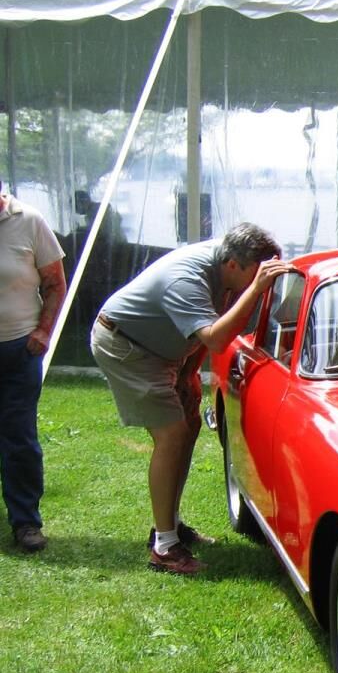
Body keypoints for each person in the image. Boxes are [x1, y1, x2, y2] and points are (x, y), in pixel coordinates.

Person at [91, 223, 291, 575]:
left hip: (164, 352)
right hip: (128, 347)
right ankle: (165, 548)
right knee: (171, 437)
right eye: (257, 275)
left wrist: (186, 374)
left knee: (190, 424)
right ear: (232, 264)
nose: (263, 284)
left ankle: (169, 524)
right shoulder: (187, 279)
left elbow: (205, 325)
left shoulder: (226, 268)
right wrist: (256, 289)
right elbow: (215, 337)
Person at [0, 180, 67, 552]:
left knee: (19, 438)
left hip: (17, 350)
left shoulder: (29, 220)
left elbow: (56, 283)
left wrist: (43, 331)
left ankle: (25, 522)